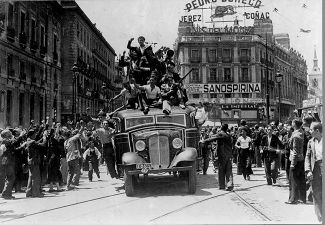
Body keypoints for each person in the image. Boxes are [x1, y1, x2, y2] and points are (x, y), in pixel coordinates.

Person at [203, 124, 234, 191]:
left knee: (221, 170)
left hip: (222, 155)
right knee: (229, 170)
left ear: (221, 128)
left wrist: (204, 141)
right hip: (228, 154)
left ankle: (222, 186)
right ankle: (230, 185)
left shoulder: (221, 134)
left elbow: (211, 139)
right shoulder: (228, 135)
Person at [0, 129, 26, 199]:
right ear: (5, 135)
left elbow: (14, 149)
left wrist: (21, 147)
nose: (11, 133)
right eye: (9, 133)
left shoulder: (6, 141)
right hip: (8, 162)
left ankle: (7, 193)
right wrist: (20, 136)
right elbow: (14, 143)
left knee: (10, 177)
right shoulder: (5, 141)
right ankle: (5, 194)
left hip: (9, 162)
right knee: (11, 177)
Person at [285, 119, 306, 204]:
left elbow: (295, 151)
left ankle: (292, 199)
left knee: (292, 180)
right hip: (301, 159)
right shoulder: (301, 132)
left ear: (294, 124)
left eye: (292, 122)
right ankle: (302, 198)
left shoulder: (296, 135)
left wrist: (293, 164)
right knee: (300, 179)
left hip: (295, 160)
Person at [305, 122, 322, 222]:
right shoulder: (310, 142)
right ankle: (320, 216)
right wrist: (308, 170)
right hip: (315, 169)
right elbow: (307, 157)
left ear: (317, 131)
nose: (309, 131)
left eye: (311, 129)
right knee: (315, 192)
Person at [63, 126, 84, 190]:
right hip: (73, 157)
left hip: (68, 158)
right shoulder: (71, 139)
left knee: (70, 173)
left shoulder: (65, 142)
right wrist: (81, 128)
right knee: (77, 171)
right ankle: (72, 184)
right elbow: (79, 134)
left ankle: (68, 186)